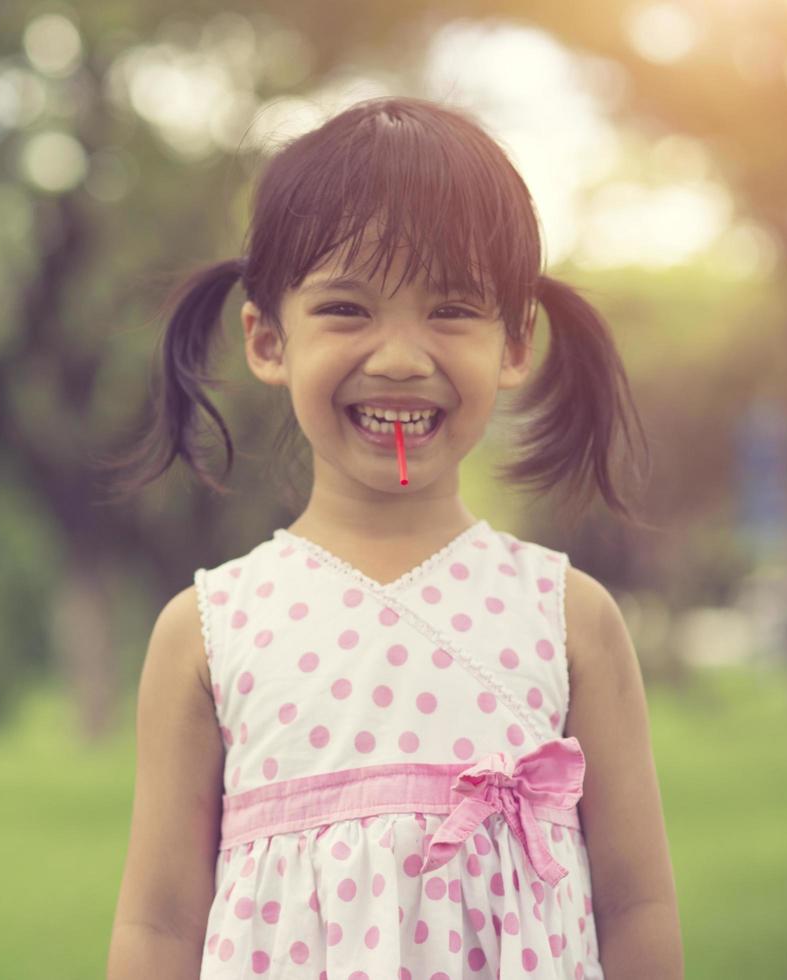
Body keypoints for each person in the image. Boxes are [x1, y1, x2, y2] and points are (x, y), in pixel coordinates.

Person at [104, 95, 683, 980]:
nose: (402, 357)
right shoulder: (208, 629)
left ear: (516, 344)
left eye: (452, 310)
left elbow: (636, 902)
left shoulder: (570, 616)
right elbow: (158, 923)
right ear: (267, 339)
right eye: (347, 309)